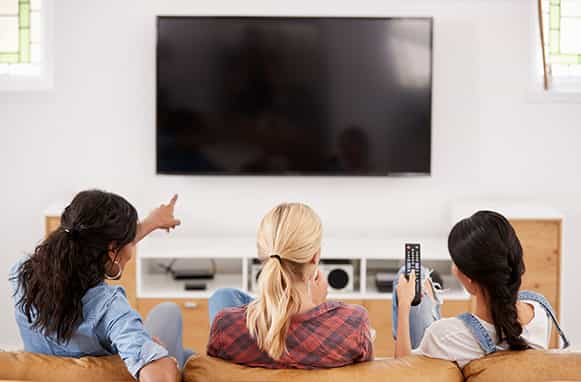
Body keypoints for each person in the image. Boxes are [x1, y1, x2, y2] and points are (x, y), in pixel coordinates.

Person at [9, 190, 192, 382]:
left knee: (188, 355)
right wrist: (156, 356)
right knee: (169, 312)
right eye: (130, 242)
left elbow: (93, 243)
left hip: (42, 373)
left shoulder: (22, 273)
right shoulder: (109, 308)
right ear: (112, 251)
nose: (131, 251)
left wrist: (151, 222)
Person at [393, 210, 570, 368]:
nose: (454, 267)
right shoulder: (541, 310)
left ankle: (431, 300)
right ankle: (431, 297)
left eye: (455, 262)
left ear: (468, 278)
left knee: (409, 275)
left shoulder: (443, 335)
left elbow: (405, 370)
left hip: (445, 346)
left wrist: (405, 305)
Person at [206, 203, 373, 368]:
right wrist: (318, 307)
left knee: (224, 296)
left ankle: (274, 303)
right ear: (315, 257)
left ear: (261, 254)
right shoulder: (354, 323)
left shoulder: (225, 326)